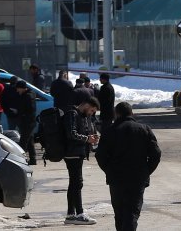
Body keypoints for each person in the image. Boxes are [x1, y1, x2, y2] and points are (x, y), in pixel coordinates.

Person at [95, 102, 161, 231]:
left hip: (116, 178)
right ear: (132, 113)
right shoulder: (144, 129)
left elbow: (100, 155)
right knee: (131, 213)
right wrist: (146, 171)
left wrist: (109, 170)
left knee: (119, 214)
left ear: (116, 114)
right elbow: (156, 154)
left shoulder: (109, 131)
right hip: (137, 178)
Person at [63, 97, 101, 225]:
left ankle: (70, 214)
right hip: (72, 153)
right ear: (86, 105)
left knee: (74, 183)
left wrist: (90, 137)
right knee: (77, 183)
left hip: (76, 153)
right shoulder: (72, 114)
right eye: (91, 110)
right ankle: (79, 213)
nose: (91, 113)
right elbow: (71, 134)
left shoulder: (80, 115)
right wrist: (87, 139)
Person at [13, 80, 38, 165]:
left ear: (22, 88)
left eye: (18, 89)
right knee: (30, 141)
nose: (17, 91)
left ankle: (20, 160)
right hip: (29, 121)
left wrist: (18, 111)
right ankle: (33, 159)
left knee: (23, 142)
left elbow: (27, 109)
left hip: (27, 122)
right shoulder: (29, 94)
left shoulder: (27, 96)